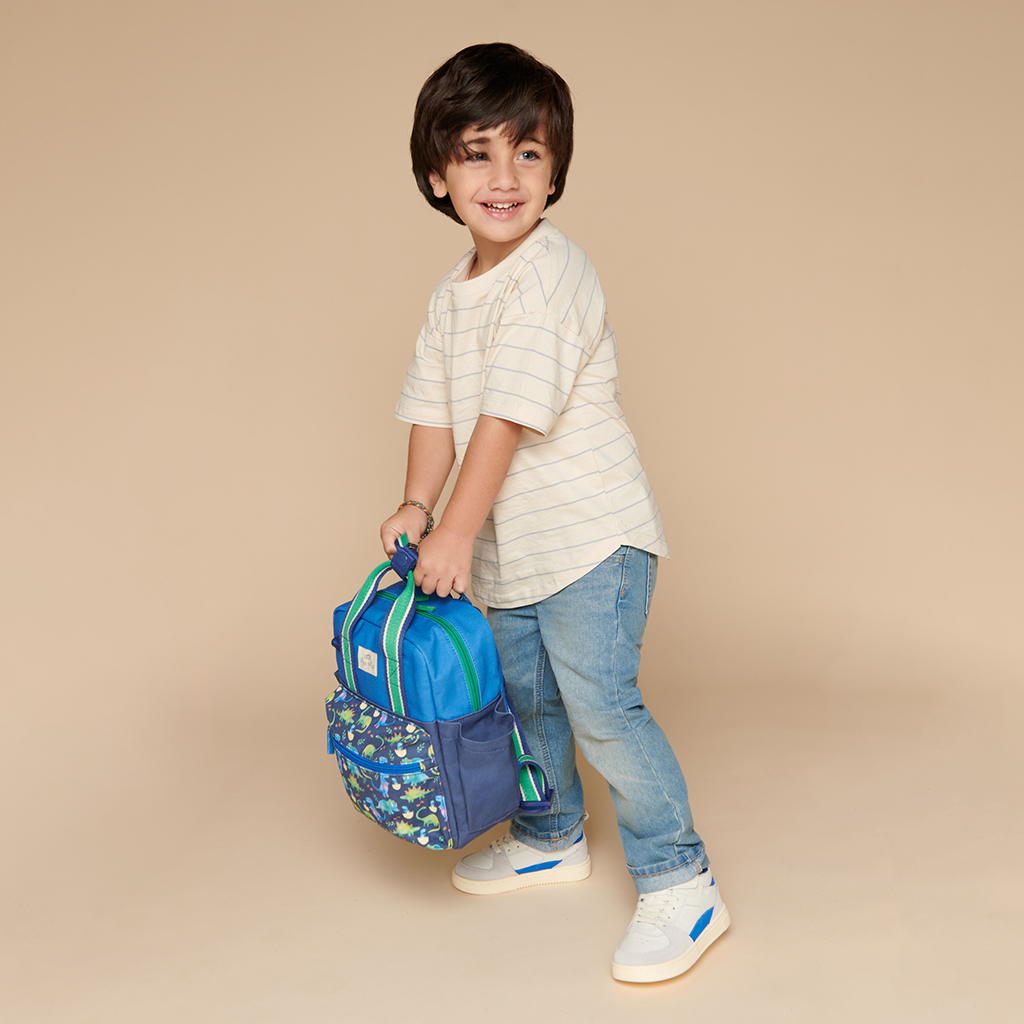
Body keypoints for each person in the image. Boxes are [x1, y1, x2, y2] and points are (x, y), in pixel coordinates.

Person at [379, 42, 729, 984]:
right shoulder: (455, 295)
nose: (504, 175)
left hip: (591, 540)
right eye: (478, 151)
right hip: (515, 551)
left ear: (556, 172)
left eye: (527, 153)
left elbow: (503, 416)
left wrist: (452, 531)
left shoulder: (552, 272)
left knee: (602, 710)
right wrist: (419, 503)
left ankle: (680, 881)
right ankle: (550, 834)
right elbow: (435, 407)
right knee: (528, 702)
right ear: (436, 173)